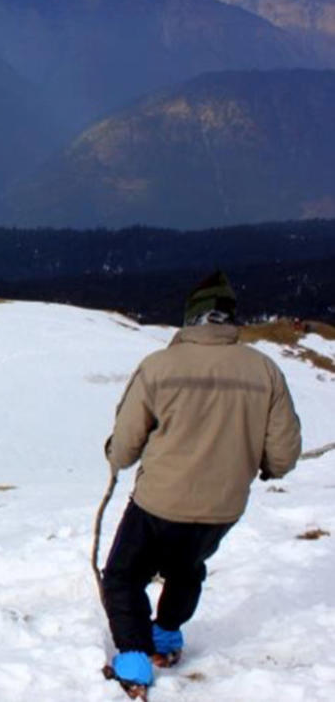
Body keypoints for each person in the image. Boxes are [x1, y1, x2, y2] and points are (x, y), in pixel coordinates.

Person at [100, 271, 301, 691]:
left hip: (159, 500)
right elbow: (283, 454)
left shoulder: (159, 367)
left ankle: (135, 662)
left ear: (190, 319)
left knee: (123, 575)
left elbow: (125, 447)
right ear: (230, 319)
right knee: (186, 568)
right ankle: (167, 634)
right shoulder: (265, 371)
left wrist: (113, 456)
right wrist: (264, 468)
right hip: (224, 506)